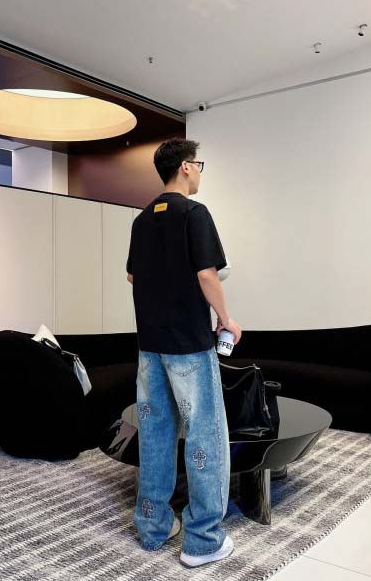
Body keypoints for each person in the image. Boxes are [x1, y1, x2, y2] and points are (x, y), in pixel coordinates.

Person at [126, 138, 242, 568]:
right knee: (205, 437)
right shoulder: (195, 213)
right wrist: (226, 319)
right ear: (187, 167)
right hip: (189, 346)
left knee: (155, 434)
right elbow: (207, 275)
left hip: (150, 346)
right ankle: (203, 541)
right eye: (199, 164)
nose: (199, 172)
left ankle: (153, 526)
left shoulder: (142, 220)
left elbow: (132, 276)